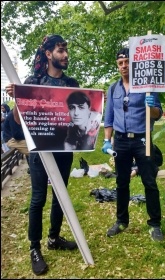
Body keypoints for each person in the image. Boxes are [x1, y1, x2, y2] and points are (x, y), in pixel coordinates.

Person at [5, 34, 80, 276]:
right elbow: (18, 123)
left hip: (64, 149)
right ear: (48, 54)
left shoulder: (72, 84)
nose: (65, 54)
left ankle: (54, 237)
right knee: (38, 198)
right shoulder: (32, 81)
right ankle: (35, 248)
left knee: (61, 194)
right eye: (60, 50)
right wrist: (19, 98)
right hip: (40, 151)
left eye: (66, 50)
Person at [101, 47, 164, 242]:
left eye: (127, 61)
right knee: (121, 182)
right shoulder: (113, 88)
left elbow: (157, 114)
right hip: (120, 141)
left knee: (149, 182)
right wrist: (106, 140)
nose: (124, 66)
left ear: (134, 63)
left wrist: (152, 104)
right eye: (120, 63)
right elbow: (109, 116)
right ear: (117, 65)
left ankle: (155, 224)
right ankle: (121, 221)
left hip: (142, 140)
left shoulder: (147, 86)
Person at [2, 109, 30, 174]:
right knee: (34, 150)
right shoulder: (13, 115)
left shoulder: (15, 114)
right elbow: (17, 135)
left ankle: (32, 169)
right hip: (11, 140)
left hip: (16, 139)